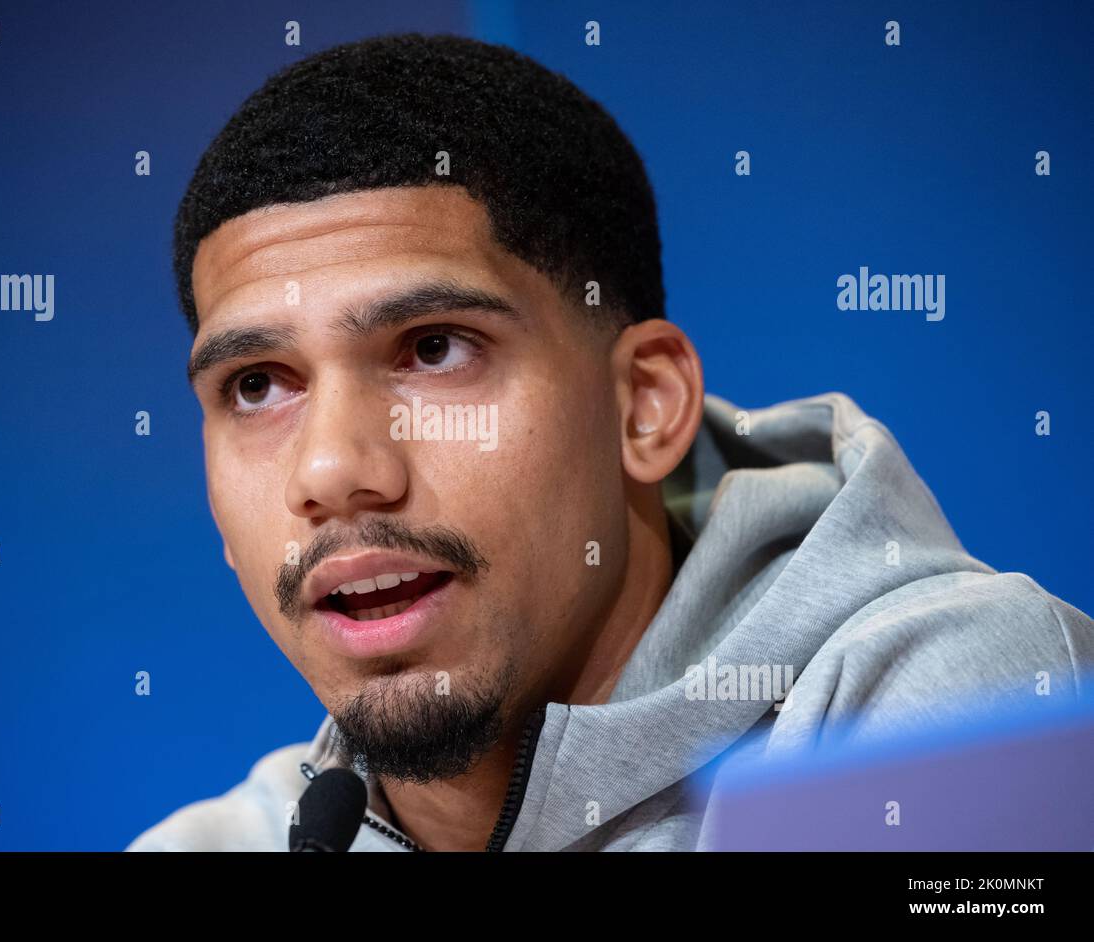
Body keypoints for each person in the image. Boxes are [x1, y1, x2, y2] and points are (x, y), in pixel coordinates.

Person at [126, 33, 1093, 852]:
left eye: (433, 349)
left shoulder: (946, 712)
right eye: (256, 385)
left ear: (643, 405)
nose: (332, 471)